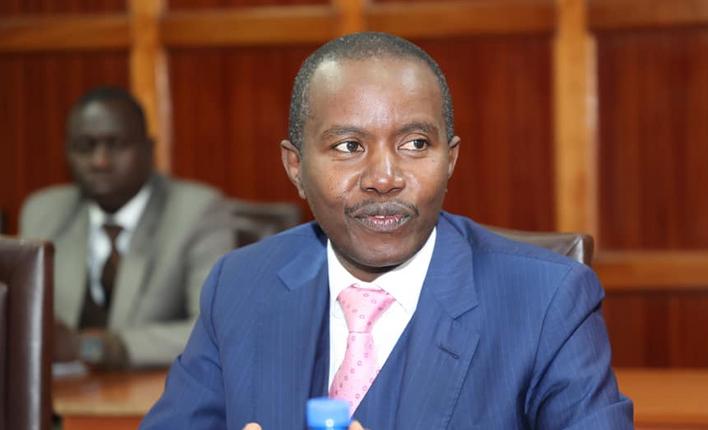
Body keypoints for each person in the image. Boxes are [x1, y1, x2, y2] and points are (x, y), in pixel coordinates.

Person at [141, 32, 633, 429]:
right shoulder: (241, 285)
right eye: (349, 146)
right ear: (295, 167)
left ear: (450, 160)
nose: (384, 177)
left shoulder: (546, 300)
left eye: (416, 144)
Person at [20, 87, 235, 369]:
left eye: (117, 145)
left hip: (152, 395)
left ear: (149, 150)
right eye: (85, 146)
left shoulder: (196, 211)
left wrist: (92, 348)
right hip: (62, 397)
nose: (100, 161)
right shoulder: (43, 212)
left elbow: (213, 329)